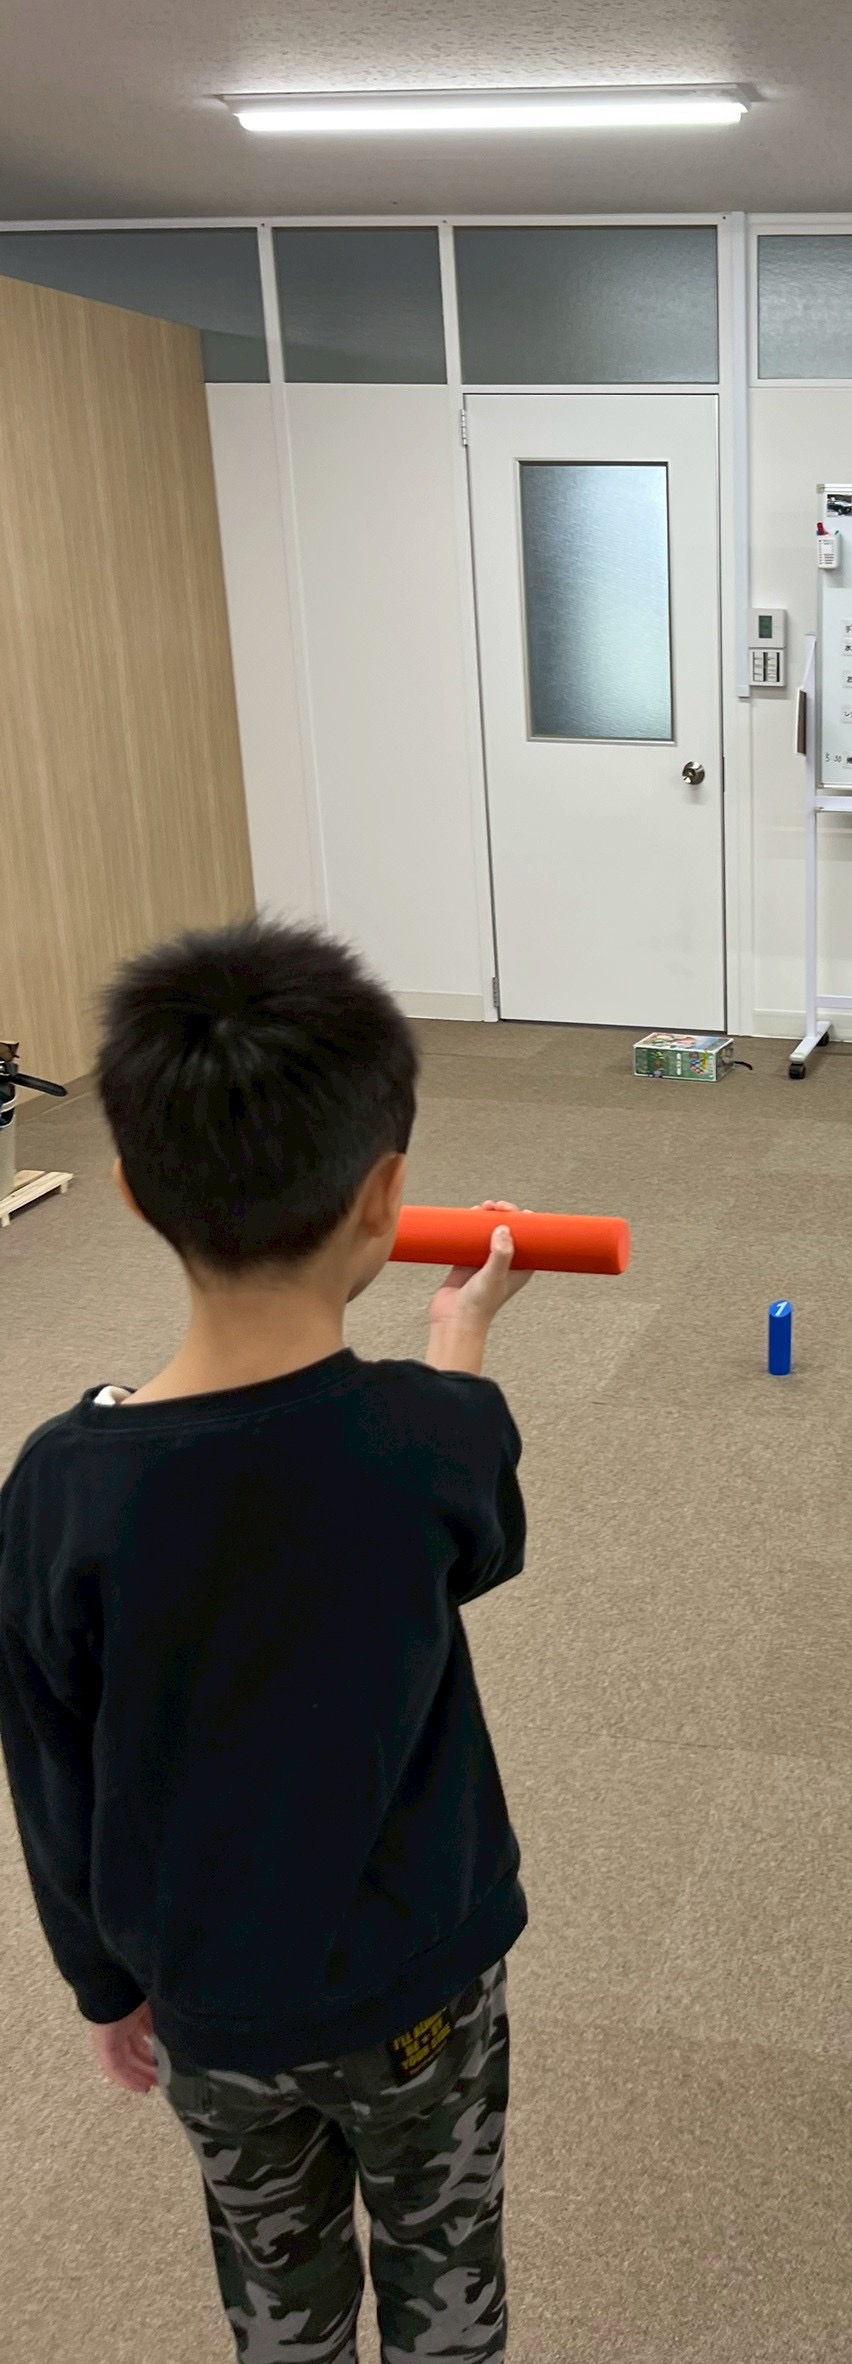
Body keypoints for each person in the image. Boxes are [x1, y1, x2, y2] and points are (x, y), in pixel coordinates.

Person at [0, 917, 533, 2364]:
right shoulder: (432, 1436)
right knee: (447, 2266)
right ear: (386, 1195)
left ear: (130, 1190)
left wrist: (101, 1982)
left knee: (277, 2294)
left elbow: (47, 1769)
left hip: (213, 2005)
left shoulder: (59, 1487)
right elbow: (478, 1533)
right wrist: (460, 1335)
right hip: (424, 1984)